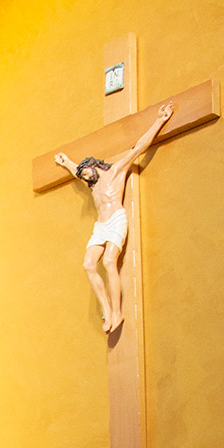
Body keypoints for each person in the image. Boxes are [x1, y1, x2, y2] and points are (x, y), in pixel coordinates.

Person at [54, 101, 174, 333]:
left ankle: (117, 313)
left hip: (116, 219)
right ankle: (107, 310)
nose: (84, 177)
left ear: (94, 166)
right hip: (100, 226)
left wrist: (160, 120)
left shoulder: (115, 172)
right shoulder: (93, 184)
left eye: (86, 172)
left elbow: (138, 149)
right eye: (83, 176)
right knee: (88, 264)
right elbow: (77, 173)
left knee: (109, 261)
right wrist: (66, 162)